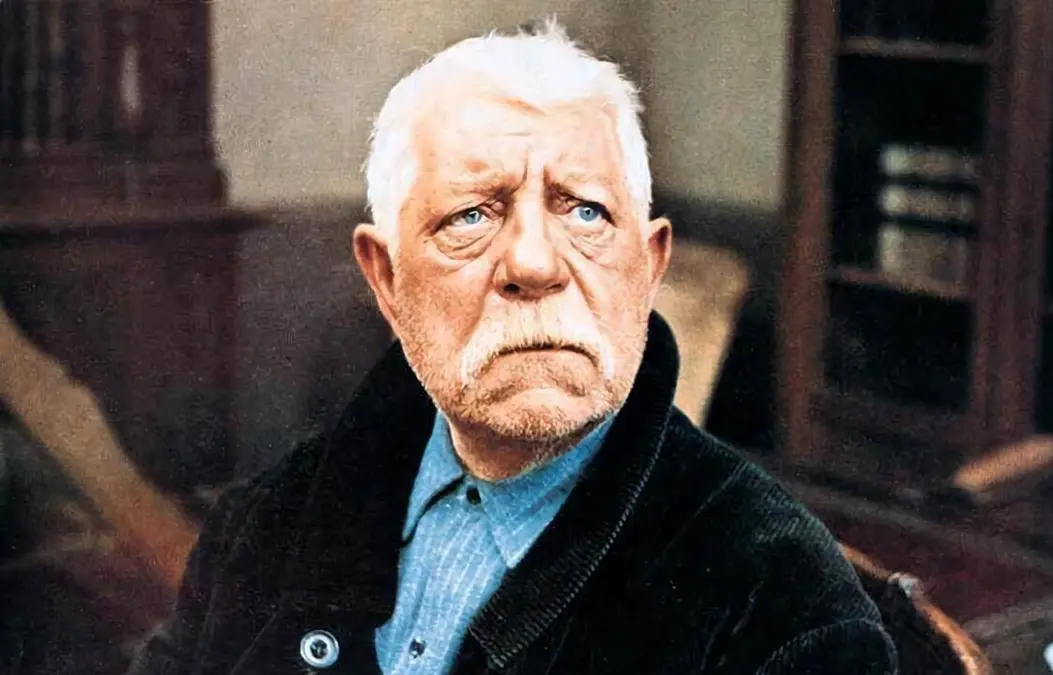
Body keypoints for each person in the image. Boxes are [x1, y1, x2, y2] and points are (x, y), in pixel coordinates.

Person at [128, 20, 897, 675]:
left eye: (586, 212)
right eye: (472, 215)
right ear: (387, 280)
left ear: (648, 267)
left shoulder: (783, 605)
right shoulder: (263, 524)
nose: (533, 262)